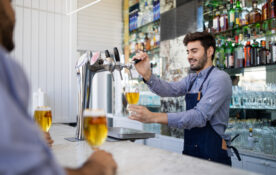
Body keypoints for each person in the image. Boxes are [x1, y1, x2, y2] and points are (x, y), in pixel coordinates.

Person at [0, 0, 117, 174]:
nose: (14, 12)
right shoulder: (6, 68)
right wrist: (94, 168)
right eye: (9, 2)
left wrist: (29, 138)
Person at [129, 31, 233, 166]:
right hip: (191, 153)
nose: (189, 56)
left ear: (209, 51)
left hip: (213, 157)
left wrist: (153, 117)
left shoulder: (220, 78)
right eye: (188, 52)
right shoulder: (192, 78)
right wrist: (147, 75)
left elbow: (199, 116)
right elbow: (169, 89)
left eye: (194, 51)